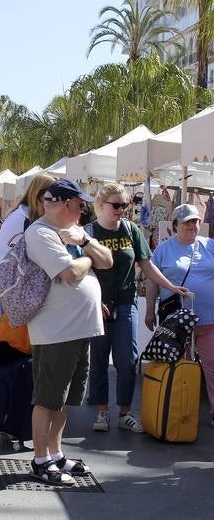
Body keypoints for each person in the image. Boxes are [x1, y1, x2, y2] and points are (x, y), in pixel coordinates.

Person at [24, 179, 113, 485]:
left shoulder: (75, 231)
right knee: (48, 398)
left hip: (78, 327)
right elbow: (70, 273)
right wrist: (87, 254)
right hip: (55, 330)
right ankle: (40, 459)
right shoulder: (39, 232)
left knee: (65, 398)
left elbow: (109, 260)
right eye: (79, 204)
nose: (83, 209)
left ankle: (56, 453)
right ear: (64, 204)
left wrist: (84, 242)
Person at [86, 183, 189, 434]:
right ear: (101, 205)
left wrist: (170, 286)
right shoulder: (89, 232)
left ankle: (125, 412)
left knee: (127, 360)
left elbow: (147, 264)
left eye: (125, 205)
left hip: (125, 302)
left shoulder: (132, 230)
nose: (122, 210)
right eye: (117, 205)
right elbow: (83, 270)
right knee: (98, 359)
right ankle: (101, 412)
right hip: (97, 305)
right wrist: (93, 300)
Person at [147, 203, 214, 422]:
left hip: (209, 319)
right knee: (180, 367)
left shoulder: (210, 246)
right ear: (175, 225)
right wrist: (149, 310)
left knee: (212, 365)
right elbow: (152, 282)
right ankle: (179, 412)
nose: (192, 225)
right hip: (177, 321)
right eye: (187, 222)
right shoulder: (163, 249)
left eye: (195, 221)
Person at [0, 174, 56, 269]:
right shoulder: (20, 218)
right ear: (42, 197)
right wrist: (26, 271)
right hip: (21, 281)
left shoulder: (30, 216)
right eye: (54, 196)